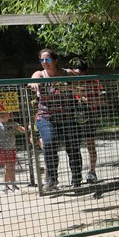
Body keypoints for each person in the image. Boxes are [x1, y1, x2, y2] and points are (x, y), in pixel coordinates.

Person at [29, 48, 82, 190]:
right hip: (45, 117)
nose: (44, 62)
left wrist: (76, 90)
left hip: (67, 116)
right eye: (42, 60)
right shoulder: (40, 74)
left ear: (55, 60)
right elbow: (34, 78)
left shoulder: (66, 73)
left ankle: (77, 178)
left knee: (73, 147)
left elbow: (79, 85)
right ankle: (52, 178)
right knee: (49, 142)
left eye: (48, 59)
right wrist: (34, 83)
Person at [71, 59, 104, 183]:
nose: (78, 75)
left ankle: (92, 171)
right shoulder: (71, 81)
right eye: (76, 73)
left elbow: (103, 100)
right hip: (74, 115)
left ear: (85, 71)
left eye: (80, 73)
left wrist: (89, 101)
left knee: (90, 144)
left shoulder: (94, 82)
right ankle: (76, 176)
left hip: (89, 115)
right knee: (74, 146)